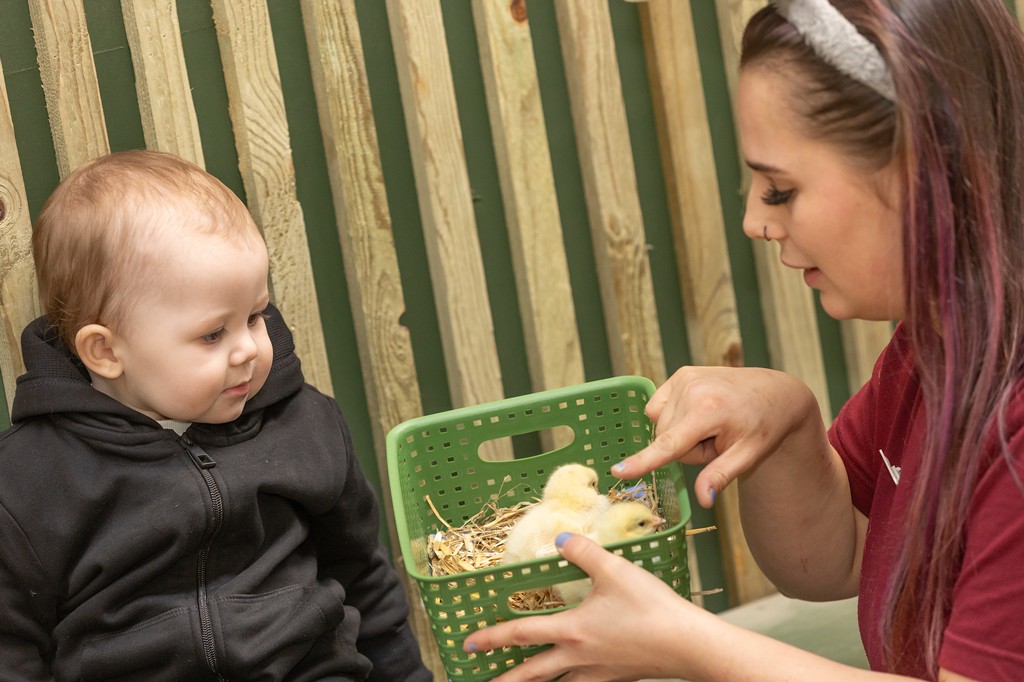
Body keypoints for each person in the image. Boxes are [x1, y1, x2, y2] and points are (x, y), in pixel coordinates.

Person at [463, 0, 1024, 679]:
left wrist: (686, 644)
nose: (754, 220)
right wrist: (790, 427)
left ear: (925, 172)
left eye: (780, 189)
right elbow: (843, 557)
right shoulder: (930, 346)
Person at [0, 150, 432, 681]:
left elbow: (362, 574)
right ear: (106, 352)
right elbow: (11, 648)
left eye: (254, 316)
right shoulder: (30, 482)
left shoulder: (301, 424)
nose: (248, 349)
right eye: (212, 334)